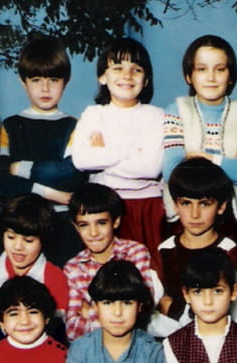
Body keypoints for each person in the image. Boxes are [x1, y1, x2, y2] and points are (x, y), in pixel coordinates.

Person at [0, 35, 87, 267]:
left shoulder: (75, 126)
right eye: (36, 79)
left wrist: (18, 168)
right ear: (23, 82)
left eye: (53, 79)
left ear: (66, 81)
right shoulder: (10, 126)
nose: (45, 88)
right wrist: (49, 192)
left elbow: (71, 176)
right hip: (20, 227)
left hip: (62, 224)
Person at [72, 38, 165, 264]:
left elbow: (151, 168)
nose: (127, 75)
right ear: (102, 77)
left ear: (146, 79)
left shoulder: (156, 116)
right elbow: (81, 159)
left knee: (149, 273)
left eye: (136, 69)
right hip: (103, 209)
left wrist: (103, 154)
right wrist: (131, 151)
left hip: (146, 207)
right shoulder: (93, 114)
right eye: (118, 68)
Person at [163, 34, 237, 230]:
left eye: (220, 69)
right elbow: (171, 171)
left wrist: (202, 156)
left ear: (230, 76)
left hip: (232, 218)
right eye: (202, 69)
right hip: (184, 219)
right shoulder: (176, 111)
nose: (211, 77)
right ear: (188, 76)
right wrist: (230, 160)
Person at [157, 157, 237, 328]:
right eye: (186, 203)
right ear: (175, 205)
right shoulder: (165, 249)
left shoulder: (229, 250)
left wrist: (174, 308)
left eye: (204, 204)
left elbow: (236, 309)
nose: (195, 214)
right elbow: (157, 303)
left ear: (221, 207)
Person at [63, 183, 155, 340]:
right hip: (93, 349)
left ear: (116, 221)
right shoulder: (73, 268)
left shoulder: (134, 252)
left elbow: (143, 311)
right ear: (76, 227)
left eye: (101, 223)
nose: (93, 233)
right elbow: (72, 330)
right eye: (84, 225)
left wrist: (91, 312)